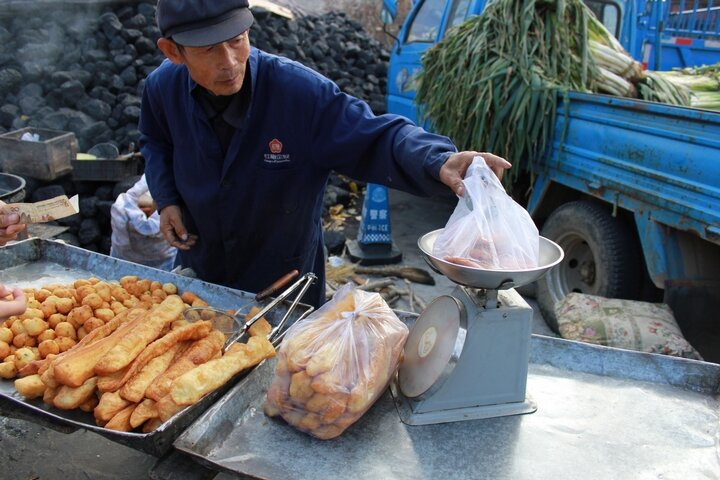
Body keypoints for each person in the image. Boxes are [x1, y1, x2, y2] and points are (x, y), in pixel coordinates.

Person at [140, 0, 512, 308]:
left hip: (284, 289)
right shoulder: (162, 89)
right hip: (201, 274)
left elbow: (374, 136)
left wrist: (437, 159)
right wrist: (167, 198)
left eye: (238, 40)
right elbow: (155, 140)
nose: (230, 61)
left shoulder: (299, 94)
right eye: (208, 49)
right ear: (173, 51)